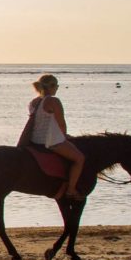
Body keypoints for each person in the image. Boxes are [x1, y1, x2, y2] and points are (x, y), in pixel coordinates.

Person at [28, 74, 85, 202]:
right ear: (52, 86)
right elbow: (61, 123)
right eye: (57, 85)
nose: (57, 88)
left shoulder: (34, 102)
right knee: (79, 158)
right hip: (50, 141)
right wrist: (65, 136)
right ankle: (71, 189)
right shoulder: (54, 101)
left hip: (34, 140)